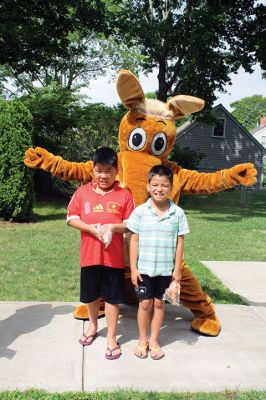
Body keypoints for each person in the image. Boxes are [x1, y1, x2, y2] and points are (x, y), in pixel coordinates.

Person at [67, 147, 134, 360]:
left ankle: (112, 337)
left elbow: (131, 224)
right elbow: (71, 218)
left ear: (116, 171)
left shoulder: (124, 195)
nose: (103, 175)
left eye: (108, 171)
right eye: (99, 171)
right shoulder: (82, 192)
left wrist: (113, 228)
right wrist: (91, 228)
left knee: (113, 298)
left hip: (113, 258)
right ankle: (93, 327)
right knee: (91, 295)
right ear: (92, 171)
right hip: (89, 256)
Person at [127, 165, 189, 360]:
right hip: (144, 270)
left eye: (164, 185)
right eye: (155, 185)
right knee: (144, 305)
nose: (159, 189)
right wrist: (133, 268)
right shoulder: (139, 212)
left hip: (165, 271)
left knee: (159, 305)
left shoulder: (177, 213)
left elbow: (180, 243)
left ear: (171, 188)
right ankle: (142, 340)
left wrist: (177, 271)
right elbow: (133, 240)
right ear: (148, 186)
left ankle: (154, 341)